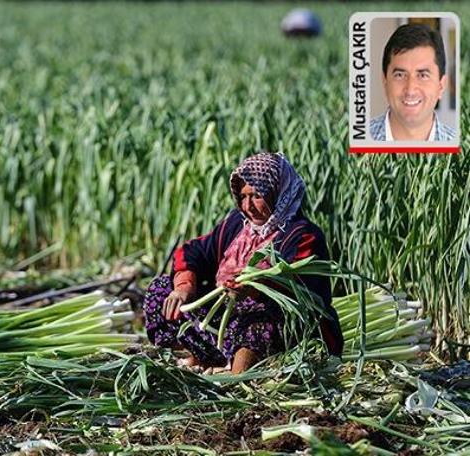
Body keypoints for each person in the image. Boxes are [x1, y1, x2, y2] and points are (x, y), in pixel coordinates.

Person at [144, 152, 344, 374]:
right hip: (227, 319)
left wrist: (252, 288)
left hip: (283, 328)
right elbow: (194, 251)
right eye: (242, 196)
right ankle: (206, 358)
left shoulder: (303, 235)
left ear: (278, 193)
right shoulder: (237, 223)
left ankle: (238, 377)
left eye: (257, 195)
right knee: (162, 289)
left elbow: (298, 282)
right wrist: (184, 287)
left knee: (259, 321)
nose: (248, 206)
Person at [370, 23, 456, 141]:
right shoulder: (352, 142)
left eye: (423, 75)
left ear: (441, 86)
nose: (410, 90)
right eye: (400, 75)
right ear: (385, 81)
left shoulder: (463, 151)